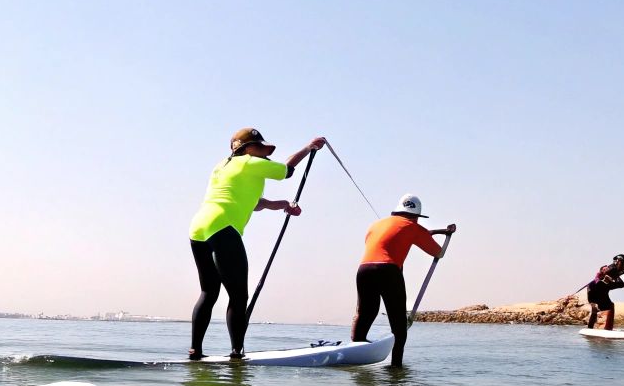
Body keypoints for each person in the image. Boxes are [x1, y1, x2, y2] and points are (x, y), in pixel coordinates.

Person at [187, 128, 327, 360]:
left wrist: (282, 204)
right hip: (223, 226)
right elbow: (287, 171)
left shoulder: (222, 166)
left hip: (198, 228)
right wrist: (309, 148)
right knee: (239, 296)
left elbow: (255, 203)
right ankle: (236, 354)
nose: (263, 152)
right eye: (259, 147)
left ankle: (195, 350)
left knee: (208, 292)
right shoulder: (248, 163)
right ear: (245, 149)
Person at [350, 195, 455, 366]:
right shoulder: (413, 227)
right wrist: (448, 236)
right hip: (388, 271)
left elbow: (393, 239)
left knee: (365, 313)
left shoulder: (376, 225)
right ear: (416, 217)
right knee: (398, 323)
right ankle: (396, 368)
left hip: (364, 270)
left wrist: (436, 232)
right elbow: (438, 253)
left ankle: (354, 351)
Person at [584, 254, 624, 330]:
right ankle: (590, 329)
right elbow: (600, 275)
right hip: (594, 290)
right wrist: (602, 277)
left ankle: (607, 328)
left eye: (621, 262)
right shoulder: (611, 268)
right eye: (618, 261)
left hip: (605, 289)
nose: (618, 263)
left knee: (610, 306)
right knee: (595, 308)